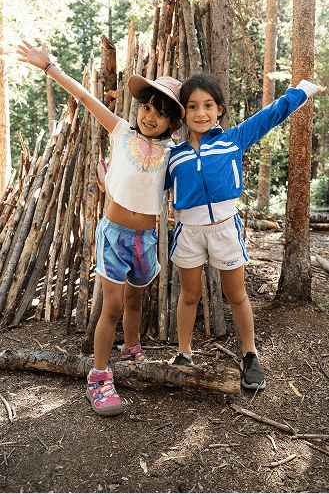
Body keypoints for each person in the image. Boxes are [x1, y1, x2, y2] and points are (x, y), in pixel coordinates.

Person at [17, 40, 185, 415]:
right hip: (113, 236)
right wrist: (49, 67)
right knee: (111, 307)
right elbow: (85, 97)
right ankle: (99, 376)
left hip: (146, 239)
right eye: (146, 106)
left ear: (173, 122)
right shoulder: (121, 131)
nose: (149, 116)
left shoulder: (174, 153)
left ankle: (132, 347)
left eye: (160, 112)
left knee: (135, 299)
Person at [167, 73, 326, 389]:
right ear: (182, 112)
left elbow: (271, 115)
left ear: (220, 109)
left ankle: (249, 354)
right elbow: (147, 184)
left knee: (236, 294)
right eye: (192, 106)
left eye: (208, 105)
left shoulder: (232, 140)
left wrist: (304, 90)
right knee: (189, 295)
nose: (201, 113)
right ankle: (184, 353)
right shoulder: (172, 155)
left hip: (225, 231)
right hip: (188, 232)